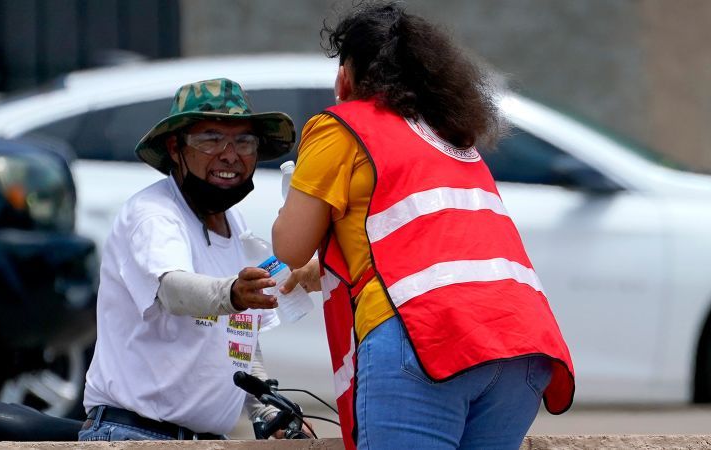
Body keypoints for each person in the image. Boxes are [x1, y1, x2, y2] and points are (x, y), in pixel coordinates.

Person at [272, 3, 575, 449]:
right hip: (521, 346)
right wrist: (321, 274)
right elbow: (418, 249)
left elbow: (290, 245)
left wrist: (299, 187)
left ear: (348, 75)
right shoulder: (449, 136)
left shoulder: (343, 126)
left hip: (427, 338)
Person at [79, 78, 297, 441]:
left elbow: (239, 335)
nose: (230, 154)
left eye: (244, 141)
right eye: (211, 139)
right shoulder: (155, 215)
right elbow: (173, 290)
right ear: (175, 148)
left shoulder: (234, 224)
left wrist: (265, 410)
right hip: (135, 435)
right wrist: (232, 294)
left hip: (198, 441)